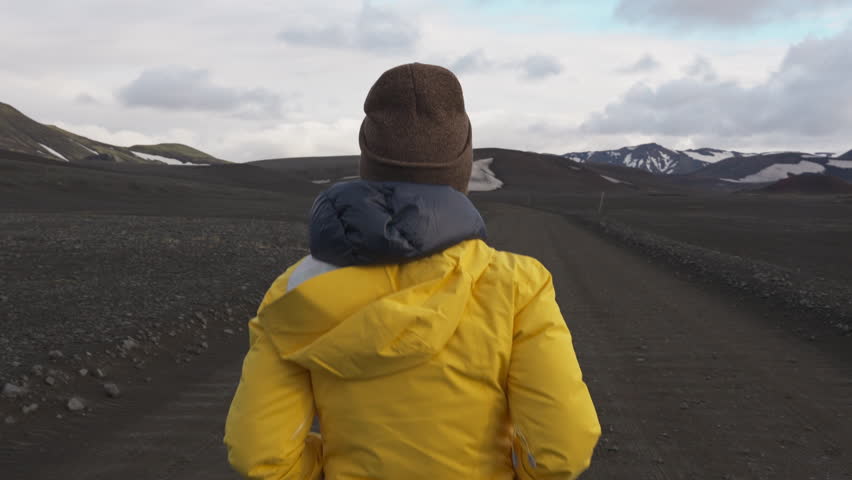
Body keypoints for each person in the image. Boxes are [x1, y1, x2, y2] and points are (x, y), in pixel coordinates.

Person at [224, 63, 600, 480]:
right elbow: (560, 452)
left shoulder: (296, 290)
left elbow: (259, 455)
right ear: (461, 167)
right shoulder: (519, 285)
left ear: (368, 161)